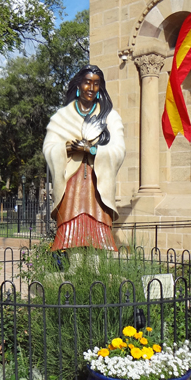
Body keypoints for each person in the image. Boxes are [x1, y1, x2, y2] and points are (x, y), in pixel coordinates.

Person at [43, 64, 126, 251]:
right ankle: (75, 267)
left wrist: (93, 150)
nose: (91, 88)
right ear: (79, 85)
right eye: (87, 83)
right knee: (72, 223)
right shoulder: (62, 116)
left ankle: (96, 268)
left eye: (96, 84)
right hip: (71, 182)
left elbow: (119, 149)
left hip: (97, 183)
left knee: (97, 223)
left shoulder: (109, 116)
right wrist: (66, 147)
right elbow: (49, 148)